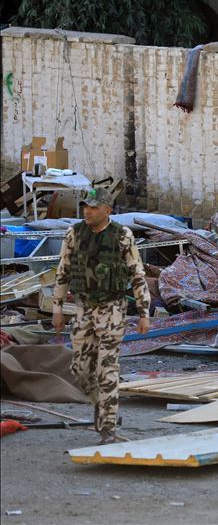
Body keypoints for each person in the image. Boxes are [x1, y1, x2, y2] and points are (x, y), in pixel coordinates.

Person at [52, 188, 151, 444]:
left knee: (107, 369)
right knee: (81, 370)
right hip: (83, 308)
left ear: (107, 209)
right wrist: (57, 308)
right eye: (86, 206)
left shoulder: (122, 236)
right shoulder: (74, 234)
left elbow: (137, 274)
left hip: (112, 309)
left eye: (94, 207)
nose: (88, 210)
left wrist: (143, 313)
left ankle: (108, 428)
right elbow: (62, 270)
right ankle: (99, 402)